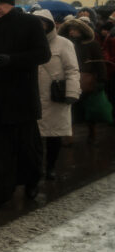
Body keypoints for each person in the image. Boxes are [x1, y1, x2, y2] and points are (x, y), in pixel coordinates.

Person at [0, 0, 51, 209]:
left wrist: (11, 60)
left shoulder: (30, 24)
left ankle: (31, 182)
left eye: (2, 3)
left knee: (26, 147)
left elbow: (42, 54)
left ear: (12, 4)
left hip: (21, 97)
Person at [34, 10, 80, 181]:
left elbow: (72, 70)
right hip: (34, 97)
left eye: (42, 22)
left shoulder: (64, 44)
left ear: (50, 24)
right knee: (34, 138)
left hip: (55, 97)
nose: (40, 26)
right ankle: (36, 168)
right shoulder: (29, 43)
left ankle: (50, 167)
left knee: (54, 136)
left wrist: (72, 92)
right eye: (36, 22)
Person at [59, 17, 110, 141]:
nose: (72, 32)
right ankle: (68, 137)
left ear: (81, 30)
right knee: (70, 109)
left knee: (90, 109)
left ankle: (92, 133)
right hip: (71, 80)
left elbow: (100, 63)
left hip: (87, 81)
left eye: (75, 30)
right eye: (70, 30)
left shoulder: (92, 44)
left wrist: (102, 80)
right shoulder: (66, 44)